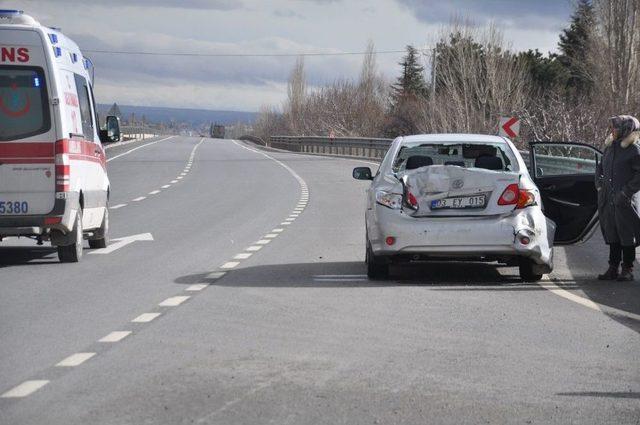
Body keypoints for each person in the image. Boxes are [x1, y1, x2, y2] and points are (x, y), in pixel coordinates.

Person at [597, 115, 640, 281]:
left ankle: (627, 269)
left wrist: (626, 193)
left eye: (615, 127)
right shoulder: (610, 147)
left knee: (626, 234)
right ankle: (612, 267)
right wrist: (599, 185)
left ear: (625, 129)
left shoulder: (634, 149)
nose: (612, 130)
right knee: (612, 232)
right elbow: (600, 167)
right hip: (609, 198)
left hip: (625, 200)